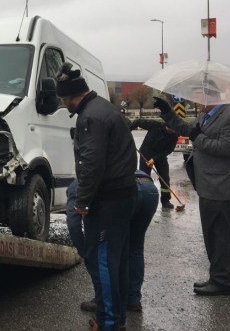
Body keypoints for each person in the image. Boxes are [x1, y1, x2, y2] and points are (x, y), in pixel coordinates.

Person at [56, 62, 138, 331]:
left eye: (63, 100)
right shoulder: (104, 107)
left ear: (70, 97)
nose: (64, 105)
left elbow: (91, 164)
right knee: (117, 260)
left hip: (108, 201)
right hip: (124, 195)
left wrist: (82, 202)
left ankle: (108, 323)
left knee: (104, 262)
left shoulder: (90, 117)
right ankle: (118, 320)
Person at [153, 90, 230, 296]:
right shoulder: (205, 116)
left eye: (198, 97)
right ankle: (217, 277)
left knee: (222, 237)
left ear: (211, 96)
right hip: (208, 187)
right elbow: (188, 129)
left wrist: (198, 138)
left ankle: (222, 282)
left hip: (224, 188)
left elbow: (227, 148)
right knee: (211, 236)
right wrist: (168, 113)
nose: (195, 101)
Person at [67, 170, 159, 314]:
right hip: (149, 189)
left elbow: (74, 225)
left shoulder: (77, 187)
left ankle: (104, 302)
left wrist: (85, 252)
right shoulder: (103, 172)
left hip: (128, 193)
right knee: (135, 247)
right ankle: (133, 299)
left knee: (110, 254)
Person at [129, 118, 179, 209]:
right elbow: (138, 121)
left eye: (173, 130)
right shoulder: (155, 125)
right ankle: (143, 200)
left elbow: (168, 150)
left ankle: (165, 201)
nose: (172, 132)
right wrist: (128, 130)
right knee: (144, 178)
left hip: (160, 157)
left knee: (165, 178)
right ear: (166, 127)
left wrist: (154, 159)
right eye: (171, 130)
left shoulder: (174, 135)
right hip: (146, 155)